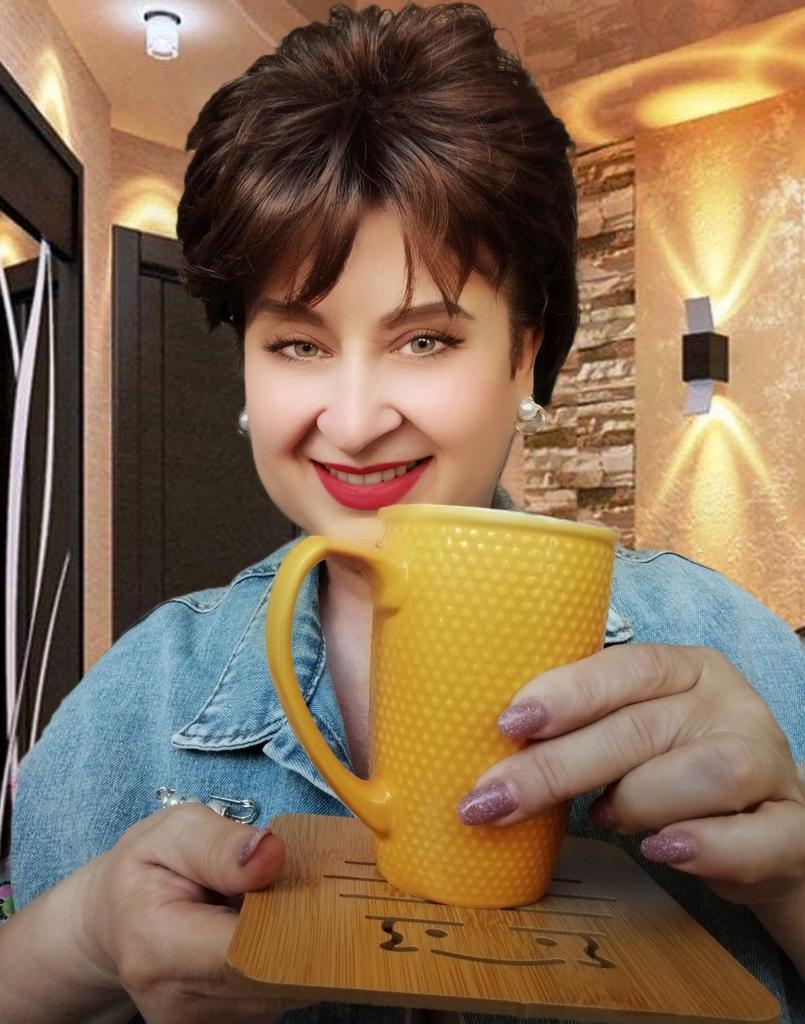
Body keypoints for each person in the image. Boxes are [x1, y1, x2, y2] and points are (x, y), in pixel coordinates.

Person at [3, 4, 804, 1023]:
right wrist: (79, 937)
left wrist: (791, 881)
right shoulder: (134, 705)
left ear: (525, 355)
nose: (352, 421)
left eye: (425, 339)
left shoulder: (731, 648)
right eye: (297, 344)